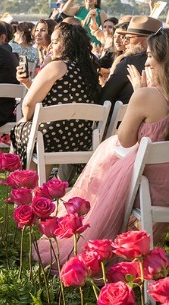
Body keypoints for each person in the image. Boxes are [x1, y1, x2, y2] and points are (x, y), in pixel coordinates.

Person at [34, 29, 169, 265]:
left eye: (149, 55)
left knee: (110, 150)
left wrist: (139, 94)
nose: (146, 61)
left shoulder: (147, 96)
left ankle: (80, 213)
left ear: (162, 59)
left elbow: (126, 141)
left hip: (150, 192)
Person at [10, 23, 102, 169]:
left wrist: (26, 119)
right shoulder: (88, 70)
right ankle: (50, 182)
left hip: (52, 137)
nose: (50, 47)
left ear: (68, 44)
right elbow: (57, 95)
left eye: (54, 42)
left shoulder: (56, 66)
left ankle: (34, 183)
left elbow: (28, 104)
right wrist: (28, 82)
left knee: (24, 128)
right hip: (81, 138)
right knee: (43, 130)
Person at [100, 16, 162, 106]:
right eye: (124, 38)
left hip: (125, 118)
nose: (125, 42)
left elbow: (105, 97)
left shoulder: (129, 62)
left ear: (148, 40)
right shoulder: (164, 62)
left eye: (129, 38)